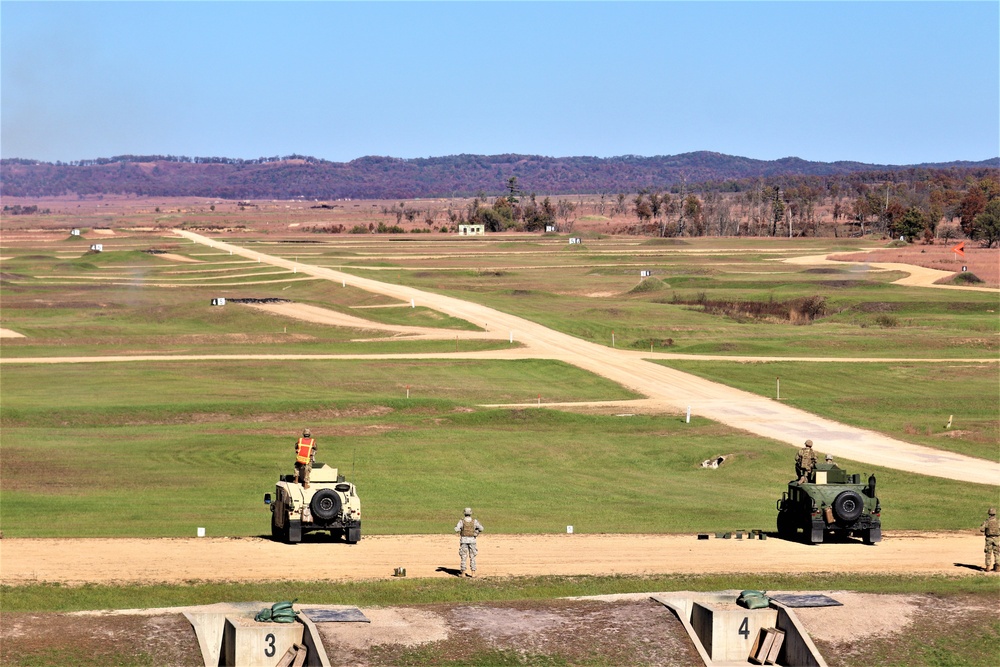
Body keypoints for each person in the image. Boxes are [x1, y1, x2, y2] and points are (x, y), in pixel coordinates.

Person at [454, 507, 484, 577]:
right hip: (472, 540)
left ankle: (463, 573)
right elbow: (481, 528)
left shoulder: (461, 521)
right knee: (472, 557)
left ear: (464, 513)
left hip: (464, 540)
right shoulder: (474, 521)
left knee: (463, 557)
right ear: (471, 513)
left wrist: (458, 529)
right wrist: (476, 532)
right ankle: (473, 573)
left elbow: (456, 529)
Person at [980, 507, 999, 572]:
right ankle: (998, 567)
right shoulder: (998, 521)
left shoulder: (986, 522)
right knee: (997, 553)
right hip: (997, 539)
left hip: (989, 539)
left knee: (988, 553)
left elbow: (981, 529)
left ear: (989, 514)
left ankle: (987, 567)